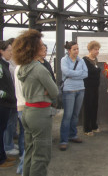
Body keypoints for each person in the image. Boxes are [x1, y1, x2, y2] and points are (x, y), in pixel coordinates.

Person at [13, 29, 59, 176]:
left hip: (27, 111)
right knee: (42, 154)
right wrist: (44, 91)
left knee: (30, 150)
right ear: (33, 47)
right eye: (40, 44)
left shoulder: (23, 67)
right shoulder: (39, 69)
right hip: (40, 113)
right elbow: (55, 92)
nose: (42, 46)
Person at [59, 41, 88, 151]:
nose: (76, 51)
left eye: (77, 49)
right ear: (69, 50)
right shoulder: (64, 60)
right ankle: (63, 140)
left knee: (75, 114)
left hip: (81, 89)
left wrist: (74, 74)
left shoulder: (80, 60)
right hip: (69, 90)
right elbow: (66, 72)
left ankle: (73, 135)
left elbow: (86, 74)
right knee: (67, 115)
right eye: (74, 49)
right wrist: (79, 74)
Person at [0, 40, 17, 169]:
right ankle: (1, 160)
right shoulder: (1, 65)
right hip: (3, 104)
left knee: (3, 129)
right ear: (1, 51)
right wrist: (9, 96)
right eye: (9, 50)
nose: (11, 53)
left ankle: (3, 155)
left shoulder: (5, 64)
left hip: (7, 103)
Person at [82, 41, 101, 136]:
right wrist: (97, 70)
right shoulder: (84, 60)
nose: (97, 51)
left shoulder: (95, 60)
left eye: (98, 49)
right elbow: (89, 73)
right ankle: (87, 128)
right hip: (87, 87)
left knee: (95, 106)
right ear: (90, 49)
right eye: (95, 49)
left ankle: (94, 125)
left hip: (95, 87)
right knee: (88, 107)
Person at [14, 65, 26, 174]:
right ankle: (23, 170)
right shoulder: (25, 68)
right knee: (31, 142)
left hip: (20, 105)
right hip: (28, 106)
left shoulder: (17, 68)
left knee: (25, 136)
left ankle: (21, 166)